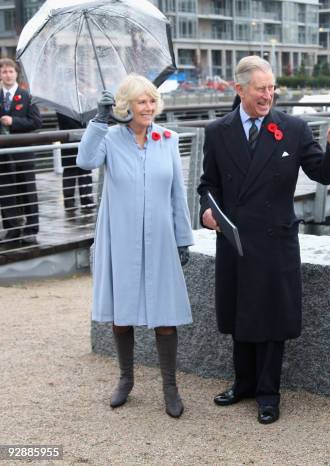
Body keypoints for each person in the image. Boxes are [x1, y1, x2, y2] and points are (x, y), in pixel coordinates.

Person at [197, 56, 330, 425]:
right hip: (235, 240)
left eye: (272, 89)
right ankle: (244, 384)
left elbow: (323, 173)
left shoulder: (294, 129)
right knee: (239, 314)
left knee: (270, 318)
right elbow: (208, 185)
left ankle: (269, 393)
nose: (268, 95)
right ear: (240, 90)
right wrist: (207, 212)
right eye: (260, 89)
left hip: (274, 240)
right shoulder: (218, 132)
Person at [77, 74, 194, 418]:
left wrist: (183, 239)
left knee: (165, 315)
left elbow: (177, 194)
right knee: (121, 313)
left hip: (160, 238)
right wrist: (98, 121)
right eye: (141, 101)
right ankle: (125, 378)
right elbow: (84, 162)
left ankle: (170, 386)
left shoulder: (167, 139)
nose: (148, 107)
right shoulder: (110, 139)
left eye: (152, 100)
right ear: (126, 105)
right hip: (121, 237)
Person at [0, 58, 42, 245]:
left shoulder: (27, 96)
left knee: (28, 190)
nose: (7, 75)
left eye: (10, 71)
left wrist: (13, 122)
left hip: (23, 153)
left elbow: (36, 122)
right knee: (6, 191)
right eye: (4, 72)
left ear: (16, 74)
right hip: (3, 154)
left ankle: (31, 228)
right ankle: (11, 228)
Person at [56, 112, 94, 213]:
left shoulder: (84, 104)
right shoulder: (63, 106)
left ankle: (87, 200)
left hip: (85, 143)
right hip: (70, 143)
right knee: (70, 172)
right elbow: (65, 122)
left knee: (85, 171)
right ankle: (69, 202)